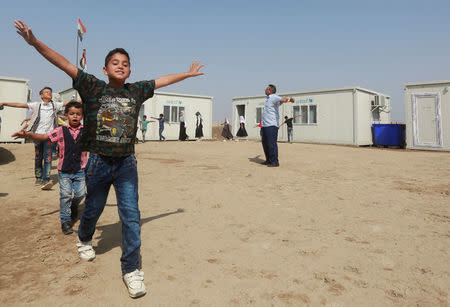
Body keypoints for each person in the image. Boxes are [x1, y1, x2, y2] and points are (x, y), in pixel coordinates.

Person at [13, 19, 204, 298]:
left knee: (131, 216)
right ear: (104, 69)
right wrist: (35, 42)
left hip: (126, 164)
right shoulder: (92, 87)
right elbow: (64, 63)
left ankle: (132, 270)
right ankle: (85, 237)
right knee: (93, 208)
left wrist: (186, 75)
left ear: (130, 70)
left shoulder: (136, 90)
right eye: (115, 62)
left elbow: (160, 81)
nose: (120, 65)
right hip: (99, 162)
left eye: (125, 63)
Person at [12, 101, 87, 235]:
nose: (75, 116)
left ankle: (74, 205)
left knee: (80, 194)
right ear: (66, 115)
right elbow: (45, 137)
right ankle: (65, 221)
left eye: (78, 114)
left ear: (82, 116)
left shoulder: (86, 132)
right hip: (64, 171)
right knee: (65, 195)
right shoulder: (60, 130)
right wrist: (29, 135)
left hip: (80, 170)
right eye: (71, 114)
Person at [0, 87, 71, 189]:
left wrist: (87, 98)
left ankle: (46, 179)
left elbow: (68, 103)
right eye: (46, 92)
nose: (49, 94)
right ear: (41, 95)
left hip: (49, 136)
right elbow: (19, 105)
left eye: (50, 92)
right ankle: (38, 177)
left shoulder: (55, 105)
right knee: (38, 157)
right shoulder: (36, 105)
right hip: (37, 135)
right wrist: (5, 103)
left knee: (48, 158)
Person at [260, 84, 294, 167]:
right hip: (265, 125)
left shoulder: (273, 97)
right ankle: (268, 160)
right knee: (265, 144)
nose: (265, 90)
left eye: (267, 89)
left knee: (271, 144)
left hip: (271, 125)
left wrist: (289, 99)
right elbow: (280, 102)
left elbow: (282, 99)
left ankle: (274, 162)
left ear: (270, 90)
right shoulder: (268, 99)